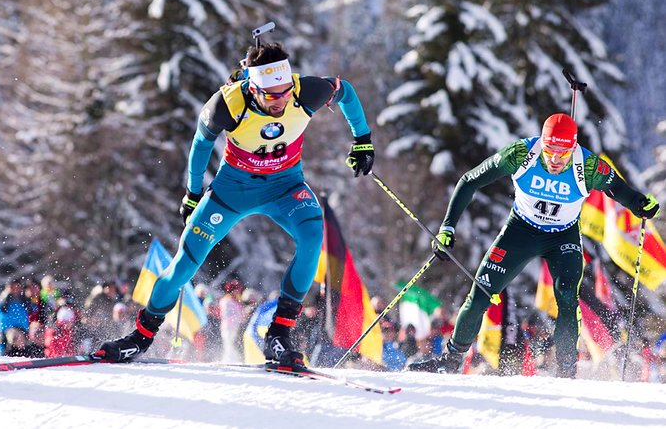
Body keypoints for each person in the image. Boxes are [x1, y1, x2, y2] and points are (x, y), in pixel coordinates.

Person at [99, 40, 374, 368]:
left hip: (285, 188)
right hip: (231, 193)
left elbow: (346, 92)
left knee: (314, 238)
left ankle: (278, 336)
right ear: (254, 88)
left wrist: (363, 140)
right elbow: (201, 145)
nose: (282, 101)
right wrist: (192, 193)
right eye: (272, 95)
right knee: (184, 266)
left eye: (285, 91)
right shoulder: (228, 104)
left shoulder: (305, 91)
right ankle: (140, 338)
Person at [408, 113, 661, 378]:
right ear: (542, 142)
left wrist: (640, 204)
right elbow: (470, 180)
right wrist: (447, 227)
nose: (554, 159)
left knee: (566, 297)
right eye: (550, 151)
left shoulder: (587, 166)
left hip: (562, 237)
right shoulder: (521, 154)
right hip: (521, 231)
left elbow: (617, 189)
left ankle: (566, 372)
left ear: (573, 147)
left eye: (562, 153)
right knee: (481, 291)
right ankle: (450, 360)